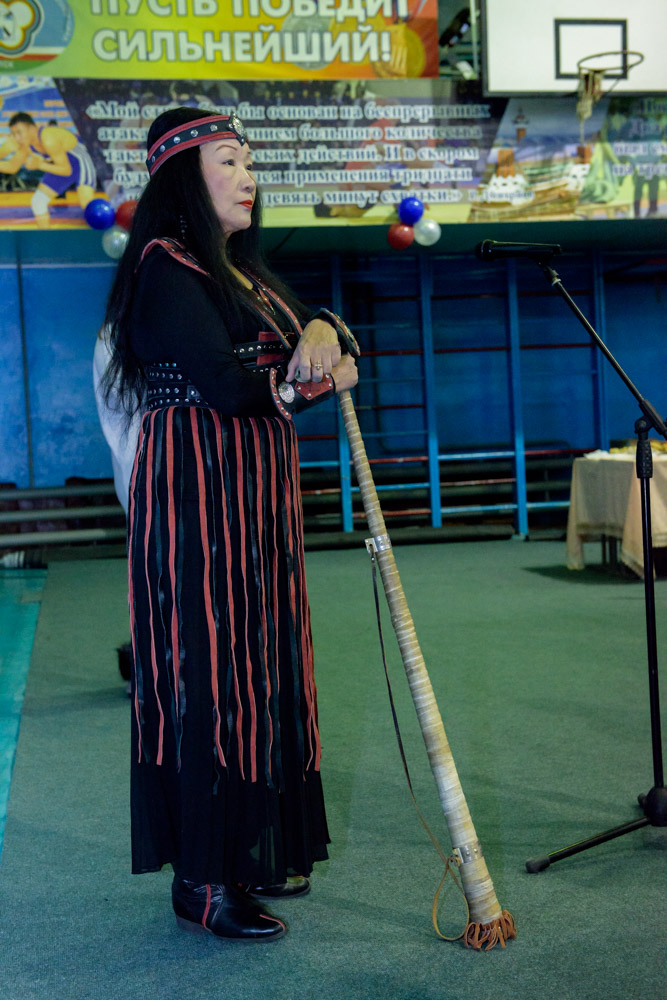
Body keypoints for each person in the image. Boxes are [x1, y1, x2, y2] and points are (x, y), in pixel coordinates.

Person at [101, 106, 358, 942]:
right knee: (211, 680)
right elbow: (229, 386)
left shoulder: (245, 274)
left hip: (256, 504)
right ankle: (202, 881)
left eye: (250, 162)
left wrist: (319, 326)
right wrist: (315, 378)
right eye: (229, 161)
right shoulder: (164, 264)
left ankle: (251, 853)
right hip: (197, 501)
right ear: (185, 175)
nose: (249, 177)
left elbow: (320, 339)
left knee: (265, 672)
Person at [0, 112, 96, 225]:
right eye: (14, 134)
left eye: (19, 132)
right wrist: (4, 150)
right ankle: (44, 234)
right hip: (62, 164)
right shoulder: (26, 144)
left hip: (80, 160)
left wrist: (40, 165)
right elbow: (12, 167)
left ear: (32, 129)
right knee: (38, 201)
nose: (17, 138)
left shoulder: (48, 138)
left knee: (86, 203)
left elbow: (67, 170)